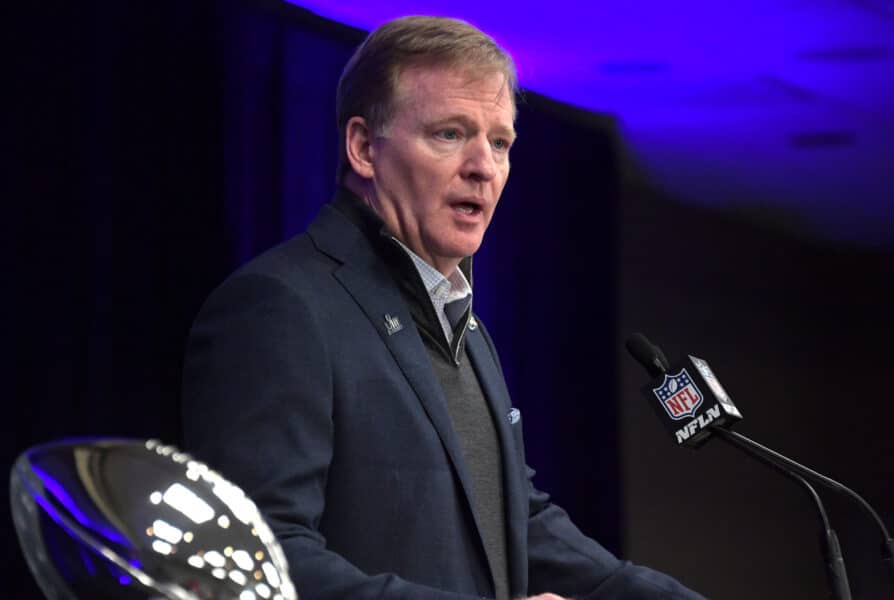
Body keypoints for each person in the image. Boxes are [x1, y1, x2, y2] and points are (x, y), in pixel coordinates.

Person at [181, 16, 705, 600]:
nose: (484, 166)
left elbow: (514, 520)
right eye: (451, 134)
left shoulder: (467, 325)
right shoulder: (281, 307)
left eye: (500, 142)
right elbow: (255, 555)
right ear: (362, 148)